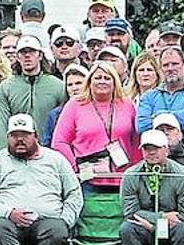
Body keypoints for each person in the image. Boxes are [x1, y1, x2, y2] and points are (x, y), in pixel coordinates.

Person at [0, 113, 83, 245]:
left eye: (25, 135)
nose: (20, 140)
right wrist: (9, 213)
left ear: (36, 136)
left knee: (58, 231)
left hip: (48, 220)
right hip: (7, 220)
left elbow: (74, 194)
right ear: (7, 137)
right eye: (14, 135)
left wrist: (64, 220)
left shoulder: (56, 160)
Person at [119, 129, 184, 245]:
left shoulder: (183, 175)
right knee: (127, 229)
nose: (151, 152)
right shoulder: (130, 175)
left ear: (167, 150)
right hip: (144, 228)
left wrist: (153, 223)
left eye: (156, 148)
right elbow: (130, 212)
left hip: (173, 228)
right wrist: (161, 218)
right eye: (147, 149)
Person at [52, 62, 139, 190]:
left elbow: (136, 140)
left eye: (107, 78)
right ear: (89, 82)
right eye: (97, 78)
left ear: (115, 82)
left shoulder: (127, 105)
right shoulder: (75, 105)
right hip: (87, 179)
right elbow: (59, 142)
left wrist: (134, 170)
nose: (102, 82)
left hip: (123, 178)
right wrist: (74, 167)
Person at [136, 45, 184, 156]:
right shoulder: (148, 97)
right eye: (166, 65)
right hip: (158, 163)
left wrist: (158, 116)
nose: (170, 68)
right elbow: (142, 125)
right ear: (161, 69)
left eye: (175, 64)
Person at [0, 35, 66, 151]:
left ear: (40, 55)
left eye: (32, 51)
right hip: (17, 151)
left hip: (48, 152)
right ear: (17, 57)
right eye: (23, 52)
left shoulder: (58, 86)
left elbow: (63, 124)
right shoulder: (6, 87)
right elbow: (2, 126)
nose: (27, 56)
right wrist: (3, 155)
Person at [42, 64, 88, 146]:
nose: (74, 88)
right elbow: (47, 144)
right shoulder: (55, 114)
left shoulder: (97, 110)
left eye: (78, 83)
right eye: (70, 85)